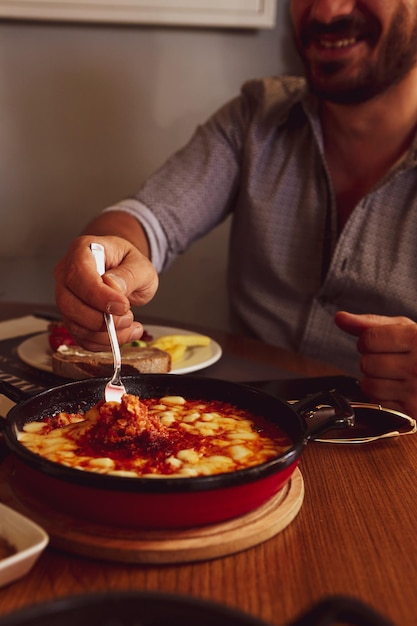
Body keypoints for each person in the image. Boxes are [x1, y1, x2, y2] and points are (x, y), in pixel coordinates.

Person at [54, 0, 417, 419]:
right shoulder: (255, 116)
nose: (326, 11)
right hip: (238, 432)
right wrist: (105, 259)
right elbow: (147, 220)